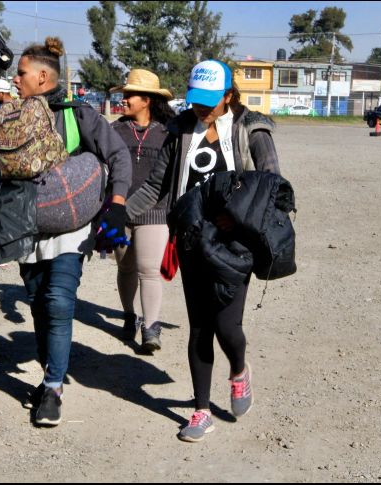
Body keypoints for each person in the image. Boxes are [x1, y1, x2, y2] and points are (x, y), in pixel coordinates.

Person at [125, 60, 280, 442]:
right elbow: (155, 187)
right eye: (196, 100)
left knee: (228, 327)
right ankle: (201, 410)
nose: (201, 108)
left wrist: (237, 217)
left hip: (235, 243)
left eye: (210, 102)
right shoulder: (180, 131)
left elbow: (273, 184)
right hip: (192, 241)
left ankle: (239, 371)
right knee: (199, 328)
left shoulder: (251, 129)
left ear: (228, 96)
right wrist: (116, 216)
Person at [10, 37, 131, 426]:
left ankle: (54, 387)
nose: (15, 78)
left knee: (60, 302)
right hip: (26, 226)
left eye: (22, 72)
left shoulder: (78, 115)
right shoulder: (9, 115)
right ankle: (50, 375)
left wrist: (116, 204)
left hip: (70, 229)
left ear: (42, 77)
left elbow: (118, 156)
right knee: (37, 302)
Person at [109, 69, 176, 352]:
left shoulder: (167, 133)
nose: (124, 100)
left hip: (155, 211)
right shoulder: (114, 130)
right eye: (123, 95)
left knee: (148, 269)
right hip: (119, 209)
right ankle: (129, 315)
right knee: (126, 267)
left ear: (147, 100)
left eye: (130, 95)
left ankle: (151, 328)